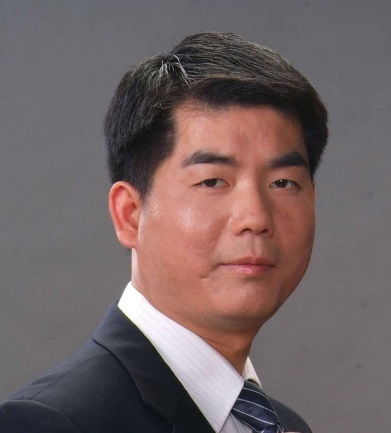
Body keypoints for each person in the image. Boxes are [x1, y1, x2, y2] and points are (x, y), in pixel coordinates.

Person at [0, 32, 328, 433]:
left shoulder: (284, 425)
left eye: (283, 183)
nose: (255, 218)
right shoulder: (51, 422)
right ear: (130, 214)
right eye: (212, 181)